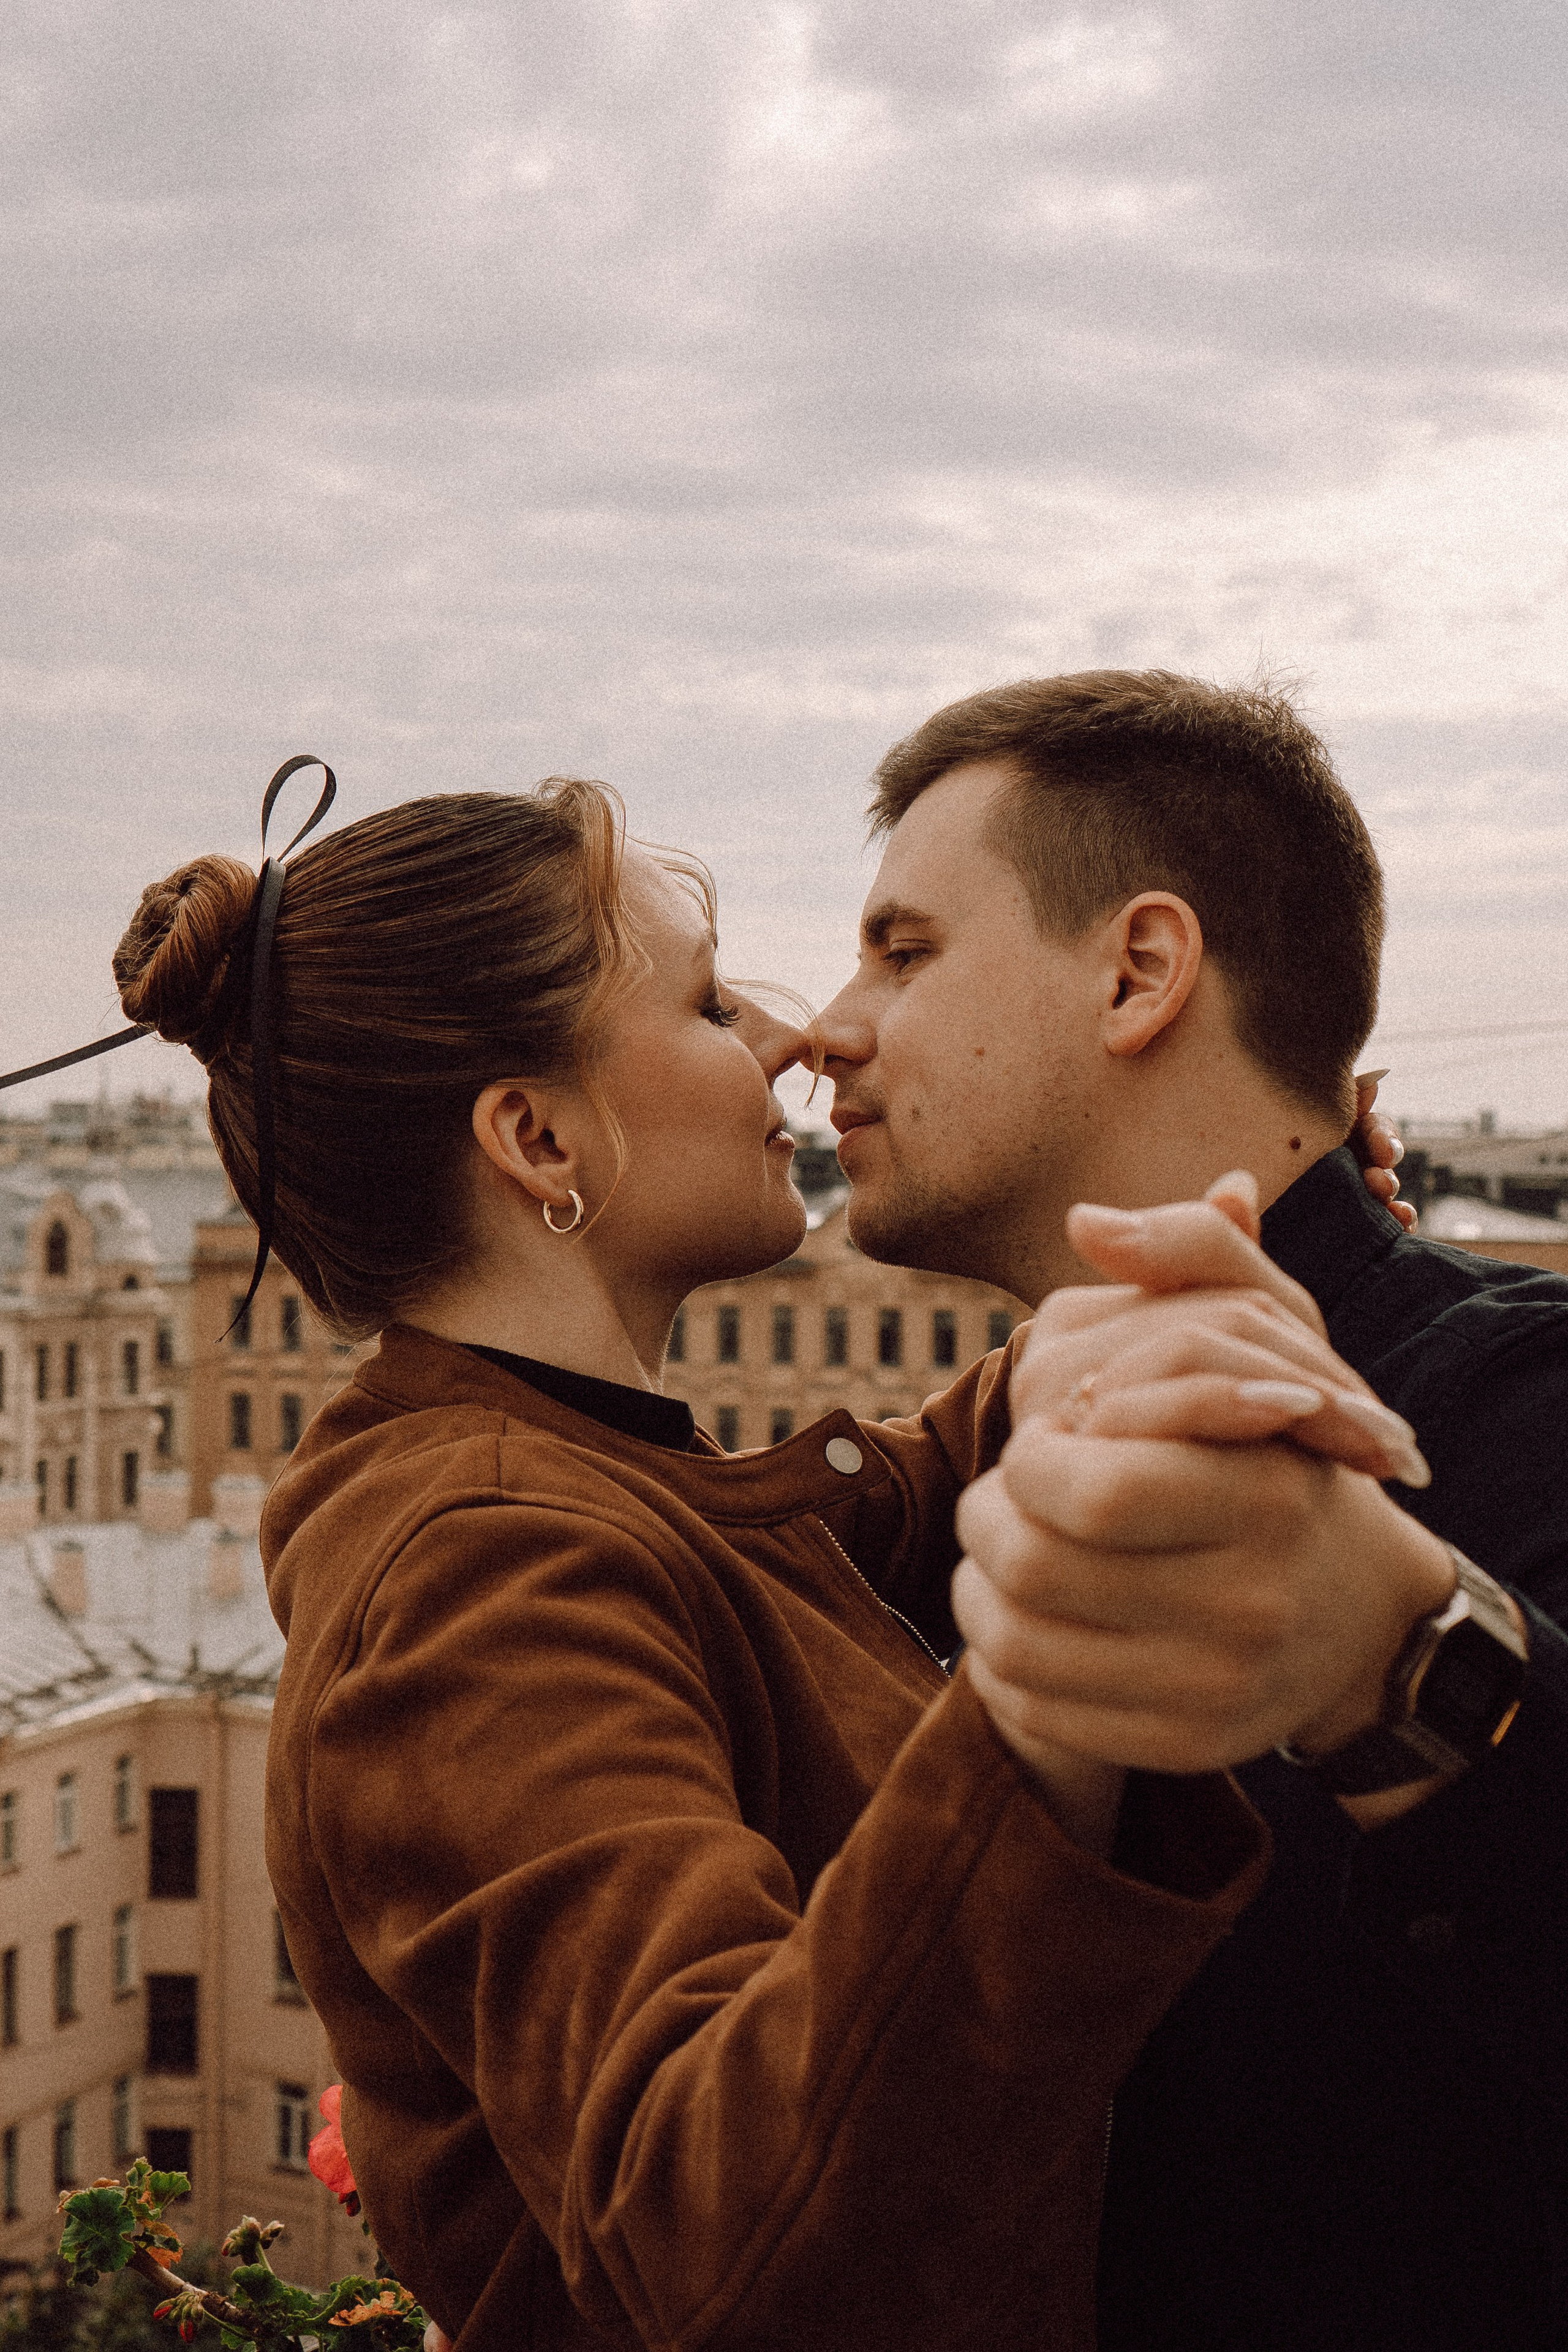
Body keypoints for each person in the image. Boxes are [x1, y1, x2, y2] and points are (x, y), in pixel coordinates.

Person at [105, 771, 1429, 2352]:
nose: (792, 1040)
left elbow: (853, 1522)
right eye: (709, 1000)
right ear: (537, 1139)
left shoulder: (577, 1480)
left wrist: (1231, 1231)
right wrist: (1052, 1678)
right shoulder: (481, 1572)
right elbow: (735, 2247)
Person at [815, 667, 1568, 2351]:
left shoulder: (1517, 1398)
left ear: (1142, 971)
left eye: (906, 948)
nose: (827, 1026)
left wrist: (1401, 1662)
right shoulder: (989, 1481)